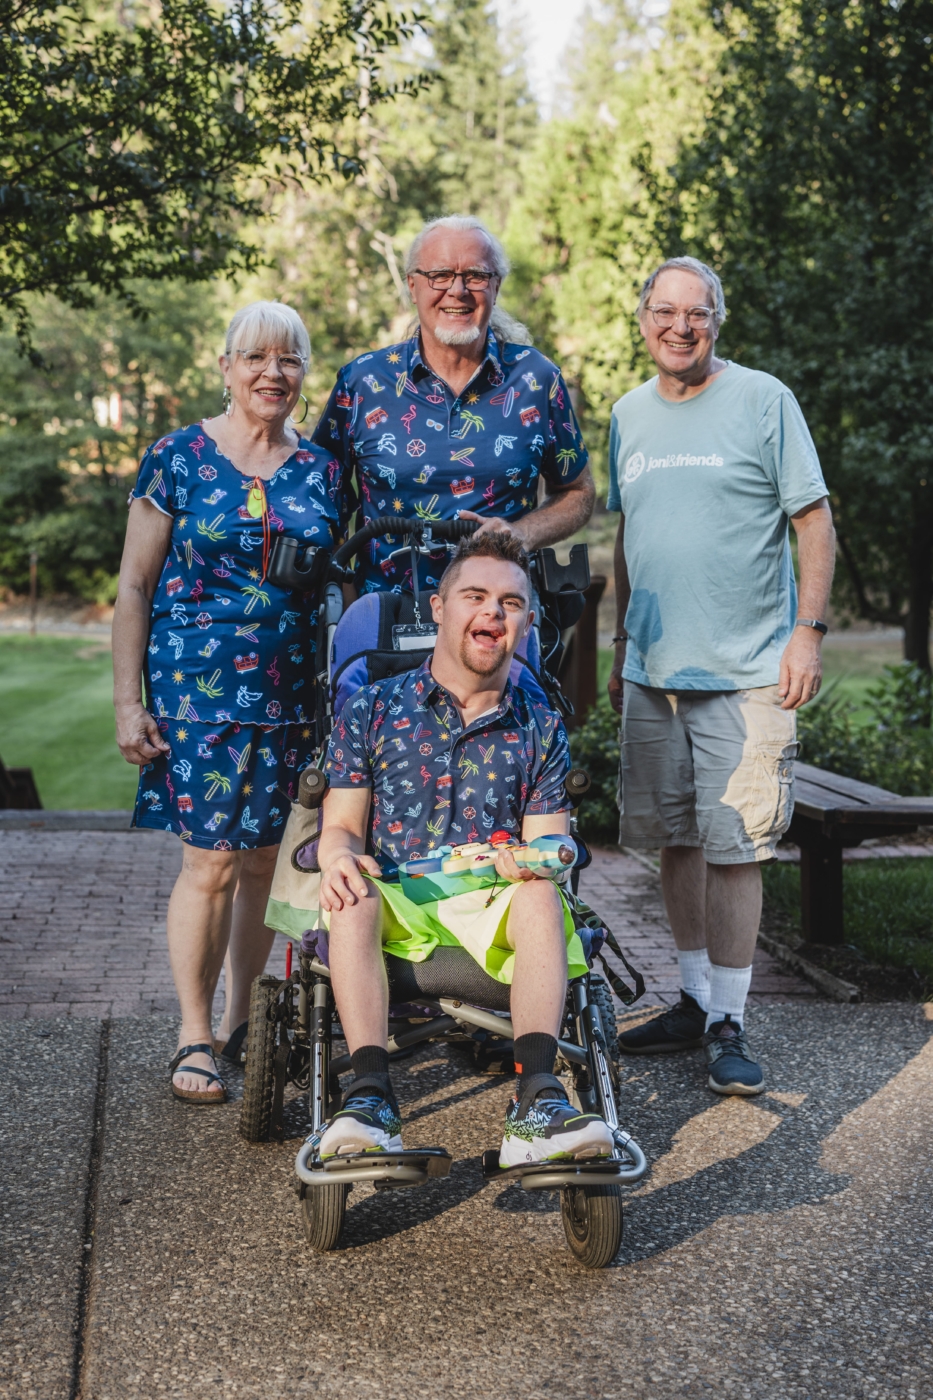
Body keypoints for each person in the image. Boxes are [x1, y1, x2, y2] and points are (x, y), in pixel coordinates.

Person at [607, 256, 836, 1095]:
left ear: (717, 320)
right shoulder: (627, 414)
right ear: (642, 320)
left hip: (747, 673)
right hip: (651, 675)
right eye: (663, 312)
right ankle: (693, 1000)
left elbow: (812, 521)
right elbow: (632, 537)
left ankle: (731, 1022)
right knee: (674, 840)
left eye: (695, 313)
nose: (679, 326)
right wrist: (622, 648)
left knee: (735, 847)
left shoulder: (763, 400)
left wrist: (805, 635)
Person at [314, 531, 614, 1166]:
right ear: (440, 609)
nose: (492, 613)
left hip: (491, 908)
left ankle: (536, 1100)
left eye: (509, 602)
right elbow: (340, 825)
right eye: (475, 596)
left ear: (526, 620)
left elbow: (551, 840)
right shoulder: (370, 709)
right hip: (397, 899)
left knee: (538, 898)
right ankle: (369, 1098)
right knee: (350, 891)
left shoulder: (539, 724)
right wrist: (338, 853)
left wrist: (539, 861)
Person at [113, 300, 349, 1102]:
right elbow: (135, 586)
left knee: (261, 864)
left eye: (288, 361)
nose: (271, 374)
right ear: (225, 367)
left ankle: (247, 1020)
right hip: (198, 693)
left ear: (302, 375)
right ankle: (194, 1033)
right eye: (255, 358)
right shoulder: (177, 457)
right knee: (210, 861)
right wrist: (126, 700)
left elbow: (337, 587)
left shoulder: (320, 471)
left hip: (290, 693)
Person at [312, 214, 595, 594]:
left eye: (475, 276)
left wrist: (522, 533)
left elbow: (578, 491)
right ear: (412, 286)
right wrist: (343, 603)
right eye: (440, 275)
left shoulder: (536, 379)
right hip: (387, 622)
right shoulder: (362, 382)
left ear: (496, 286)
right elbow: (322, 502)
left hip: (499, 618)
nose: (457, 290)